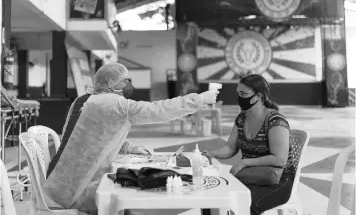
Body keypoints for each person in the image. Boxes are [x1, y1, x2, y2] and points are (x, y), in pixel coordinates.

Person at [42, 62, 219, 214]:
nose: (128, 83)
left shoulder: (83, 100)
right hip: (73, 193)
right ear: (110, 82)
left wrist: (128, 147)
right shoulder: (112, 103)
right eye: (124, 80)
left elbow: (92, 137)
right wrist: (199, 99)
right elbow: (157, 110)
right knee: (134, 192)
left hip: (54, 185)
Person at [202, 74, 295, 215]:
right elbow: (230, 148)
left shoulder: (275, 120)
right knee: (212, 197)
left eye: (243, 94)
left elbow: (279, 159)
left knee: (246, 204)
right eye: (238, 93)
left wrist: (245, 162)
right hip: (251, 176)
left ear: (258, 96)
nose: (239, 98)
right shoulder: (242, 118)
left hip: (278, 180)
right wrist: (212, 153)